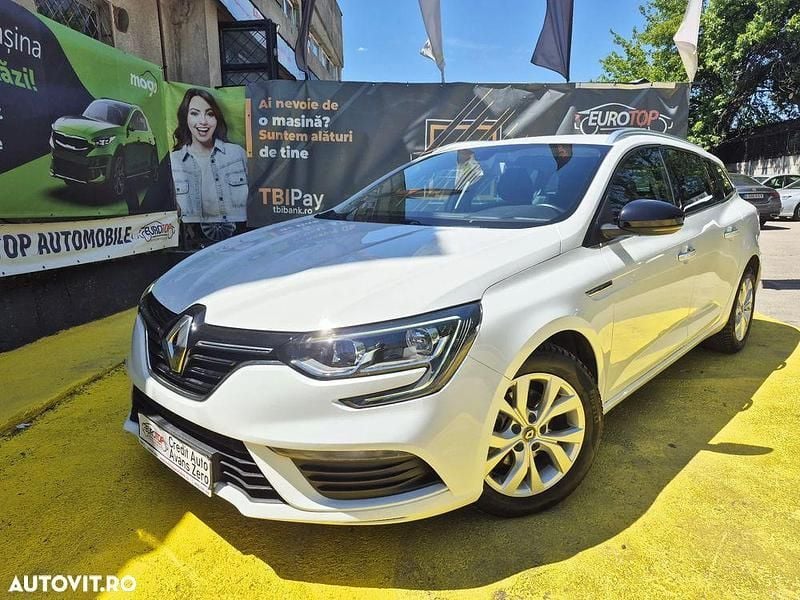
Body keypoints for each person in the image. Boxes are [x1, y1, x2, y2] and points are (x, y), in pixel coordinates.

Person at [170, 88, 248, 227]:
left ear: (217, 119)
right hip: (190, 242)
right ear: (185, 118)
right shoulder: (173, 161)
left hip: (239, 239)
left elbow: (261, 199)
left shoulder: (237, 154)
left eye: (210, 114)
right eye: (195, 113)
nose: (203, 121)